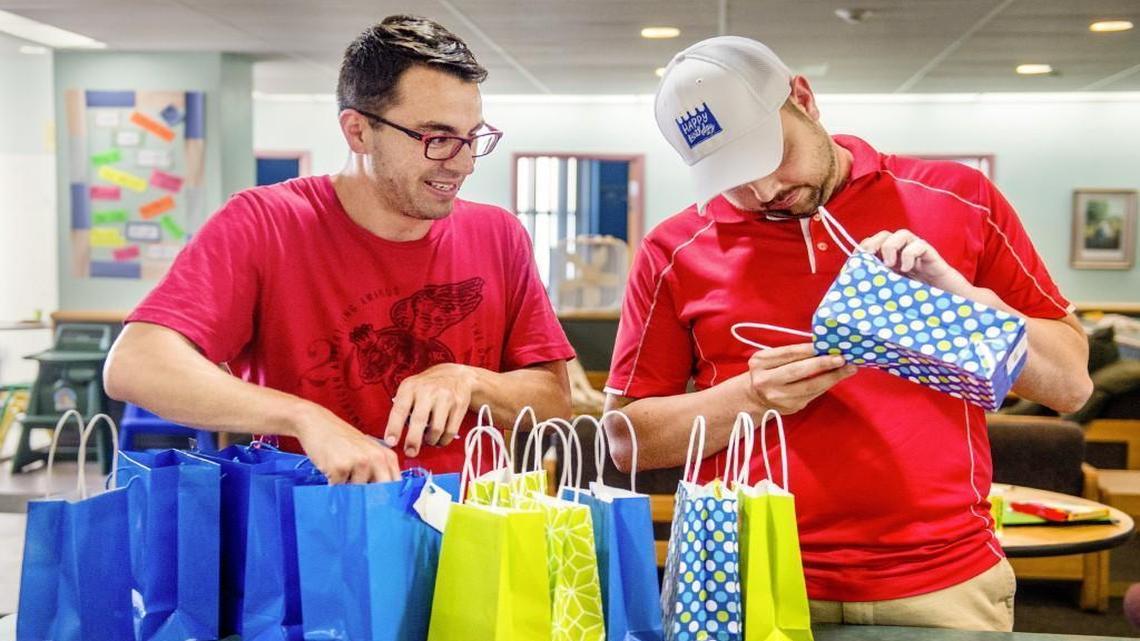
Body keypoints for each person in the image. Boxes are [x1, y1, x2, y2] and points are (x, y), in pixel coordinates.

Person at [603, 36, 1092, 631]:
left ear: (803, 99)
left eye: (769, 156)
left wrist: (964, 301)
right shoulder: (673, 249)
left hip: (940, 577)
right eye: (731, 176)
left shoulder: (958, 199)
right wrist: (751, 398)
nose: (761, 193)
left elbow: (1069, 387)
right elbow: (626, 442)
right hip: (740, 575)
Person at [103, 15, 574, 484]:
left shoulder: (499, 234)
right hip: (314, 527)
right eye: (438, 139)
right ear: (357, 131)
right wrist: (304, 418)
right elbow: (136, 363)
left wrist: (468, 380)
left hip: (473, 531)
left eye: (472, 138)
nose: (464, 163)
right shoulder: (266, 223)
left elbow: (554, 401)